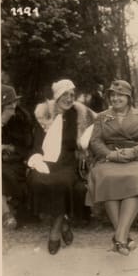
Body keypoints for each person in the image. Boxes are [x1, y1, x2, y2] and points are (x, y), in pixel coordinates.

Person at [86, 80, 138, 256]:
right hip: (109, 159)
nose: (115, 98)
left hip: (136, 159)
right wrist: (109, 154)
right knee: (107, 178)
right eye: (112, 95)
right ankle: (124, 238)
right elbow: (95, 141)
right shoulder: (102, 116)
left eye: (120, 95)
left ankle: (119, 237)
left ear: (129, 97)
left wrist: (133, 152)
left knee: (135, 179)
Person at [27, 79, 96, 255]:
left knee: (62, 182)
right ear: (57, 96)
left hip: (69, 161)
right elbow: (36, 143)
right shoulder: (44, 114)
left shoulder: (79, 114)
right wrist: (37, 159)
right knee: (36, 180)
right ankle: (64, 224)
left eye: (72, 95)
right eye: (65, 94)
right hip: (46, 160)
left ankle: (55, 230)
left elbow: (101, 119)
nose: (69, 98)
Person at [2, 84, 33, 229]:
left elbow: (24, 146)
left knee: (2, 172)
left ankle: (7, 214)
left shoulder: (21, 118)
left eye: (14, 103)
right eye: (10, 105)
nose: (13, 108)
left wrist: (7, 151)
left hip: (14, 161)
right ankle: (6, 213)